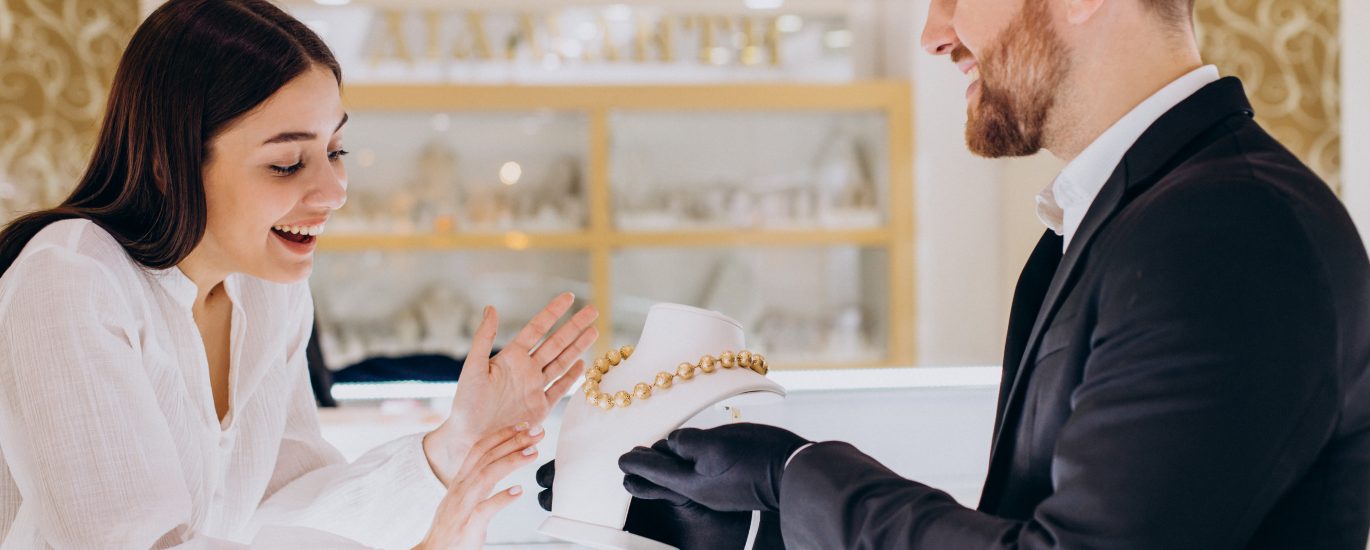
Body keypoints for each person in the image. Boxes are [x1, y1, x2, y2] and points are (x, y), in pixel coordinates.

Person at [606, 0, 1370, 548]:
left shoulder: (1229, 231)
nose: (934, 35)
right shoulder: (1126, 223)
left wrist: (794, 476)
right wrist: (756, 527)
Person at [0, 1, 596, 548]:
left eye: (335, 151)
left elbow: (294, 507)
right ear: (169, 160)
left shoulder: (267, 293)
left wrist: (451, 447)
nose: (335, 192)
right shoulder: (73, 278)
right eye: (287, 163)